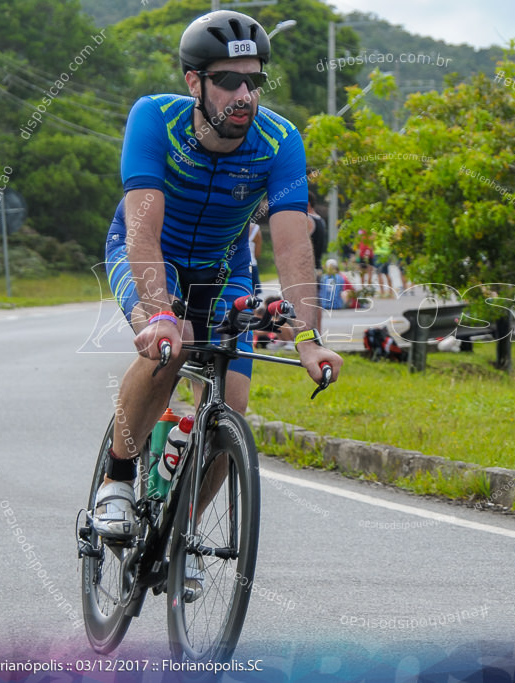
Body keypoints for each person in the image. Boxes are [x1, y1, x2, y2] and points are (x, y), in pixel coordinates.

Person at [95, 11, 343, 555]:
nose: (244, 95)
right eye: (228, 80)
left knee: (232, 400)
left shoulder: (280, 141)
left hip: (224, 264)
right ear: (195, 83)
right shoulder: (155, 119)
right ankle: (117, 480)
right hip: (148, 250)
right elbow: (143, 230)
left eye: (253, 81)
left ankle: (181, 531)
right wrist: (159, 312)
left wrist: (308, 336)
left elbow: (293, 245)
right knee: (172, 343)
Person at [307, 191, 327, 274]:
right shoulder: (321, 220)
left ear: (307, 203)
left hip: (308, 268)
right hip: (318, 266)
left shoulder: (307, 219)